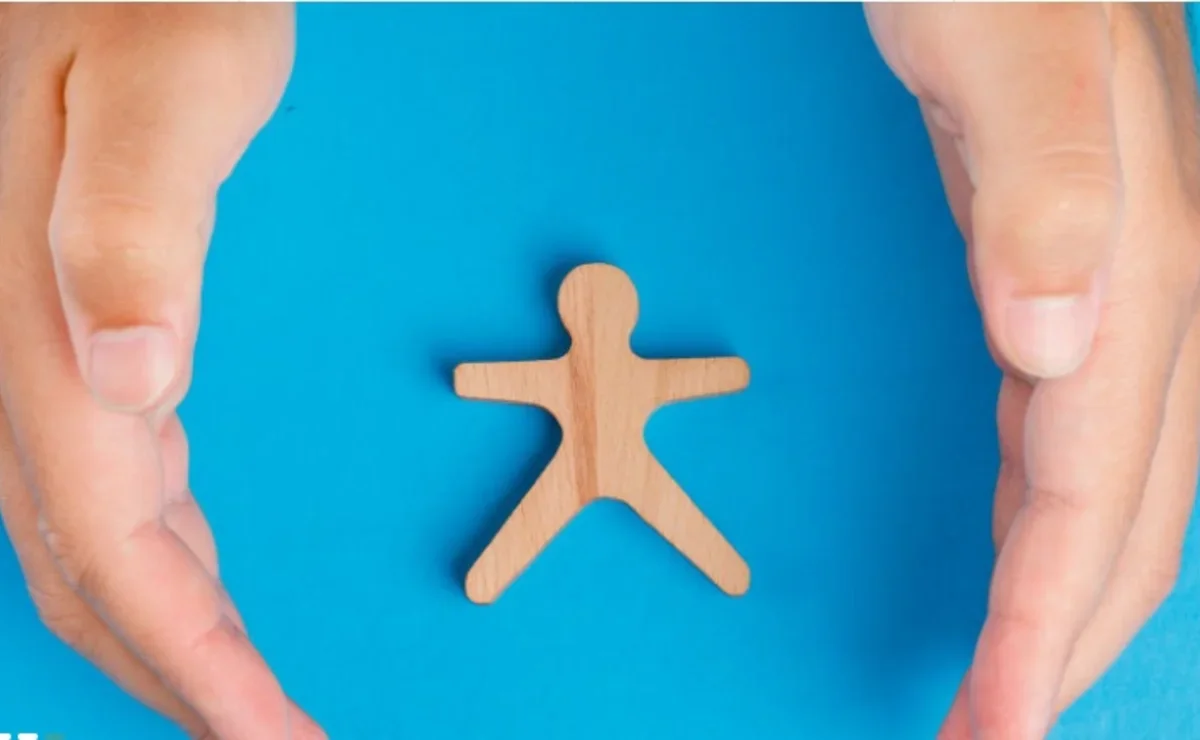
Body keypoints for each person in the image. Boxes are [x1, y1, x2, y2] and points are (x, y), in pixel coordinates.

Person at [0, 3, 1194, 739]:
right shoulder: (589, 359)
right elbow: (558, 381)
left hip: (606, 452)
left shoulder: (608, 358)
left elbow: (673, 377)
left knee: (642, 523)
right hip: (588, 455)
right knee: (556, 526)